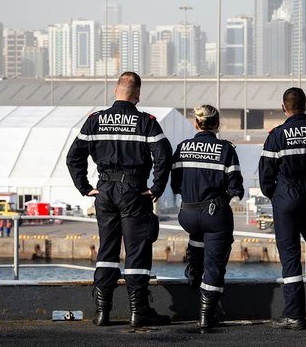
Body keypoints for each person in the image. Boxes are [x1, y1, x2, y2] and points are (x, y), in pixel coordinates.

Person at [66, 72, 172, 328]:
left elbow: (73, 157)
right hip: (134, 191)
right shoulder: (146, 122)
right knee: (136, 250)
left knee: (107, 251)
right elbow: (163, 155)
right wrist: (156, 187)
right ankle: (139, 311)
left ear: (116, 91)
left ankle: (102, 311)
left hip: (104, 191)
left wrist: (85, 188)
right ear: (137, 95)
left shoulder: (95, 120)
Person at [258, 88, 306, 330]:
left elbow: (266, 176)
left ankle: (294, 315)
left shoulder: (277, 135)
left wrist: (276, 196)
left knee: (290, 255)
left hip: (286, 198)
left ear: (284, 107)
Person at [170, 105, 244, 329]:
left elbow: (175, 185)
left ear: (196, 123)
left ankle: (193, 272)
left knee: (198, 236)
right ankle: (206, 315)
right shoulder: (225, 149)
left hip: (188, 213)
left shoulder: (182, 147)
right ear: (217, 124)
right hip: (214, 215)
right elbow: (235, 187)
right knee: (215, 264)